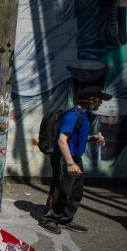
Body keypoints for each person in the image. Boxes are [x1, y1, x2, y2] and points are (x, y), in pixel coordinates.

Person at [39, 86, 110, 235]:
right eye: (99, 100)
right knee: (61, 189)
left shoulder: (82, 115)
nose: (100, 103)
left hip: (74, 158)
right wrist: (70, 163)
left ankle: (65, 219)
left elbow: (73, 137)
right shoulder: (73, 115)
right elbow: (62, 139)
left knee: (75, 191)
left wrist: (92, 138)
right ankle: (50, 219)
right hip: (65, 158)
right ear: (91, 100)